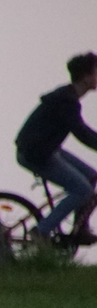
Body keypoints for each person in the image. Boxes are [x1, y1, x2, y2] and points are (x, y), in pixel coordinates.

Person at [15, 52, 97, 243]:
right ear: (86, 77)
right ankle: (41, 231)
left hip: (47, 149)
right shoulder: (66, 101)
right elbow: (81, 133)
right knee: (82, 190)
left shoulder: (68, 97)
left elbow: (82, 131)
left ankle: (80, 228)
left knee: (91, 176)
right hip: (35, 154)